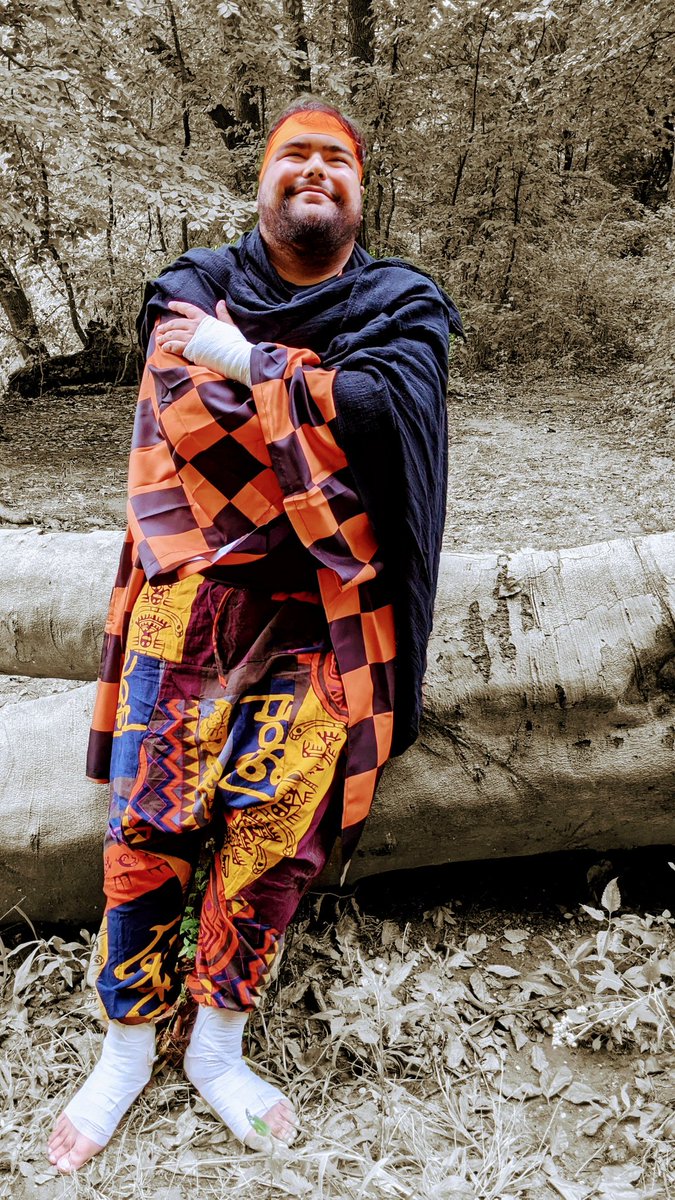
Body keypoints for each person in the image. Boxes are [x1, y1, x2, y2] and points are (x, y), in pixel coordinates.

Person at [47, 97, 463, 1174]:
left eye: (337, 159)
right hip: (190, 598)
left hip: (329, 613)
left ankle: (217, 1048)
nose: (315, 170)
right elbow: (198, 427)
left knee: (277, 830)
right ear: (263, 178)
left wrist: (247, 361)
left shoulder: (403, 301)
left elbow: (391, 414)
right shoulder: (194, 284)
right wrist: (312, 395)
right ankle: (127, 1046)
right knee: (148, 821)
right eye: (295, 154)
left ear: (360, 188)